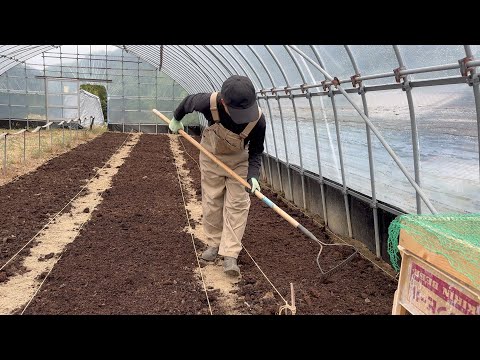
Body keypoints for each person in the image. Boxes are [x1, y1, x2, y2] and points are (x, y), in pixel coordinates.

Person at [169, 75, 266, 277]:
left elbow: (256, 151)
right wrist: (176, 119)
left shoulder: (258, 120)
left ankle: (230, 254)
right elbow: (187, 103)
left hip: (239, 162)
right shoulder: (208, 102)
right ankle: (213, 244)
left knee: (238, 204)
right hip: (211, 158)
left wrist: (254, 176)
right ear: (224, 102)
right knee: (212, 200)